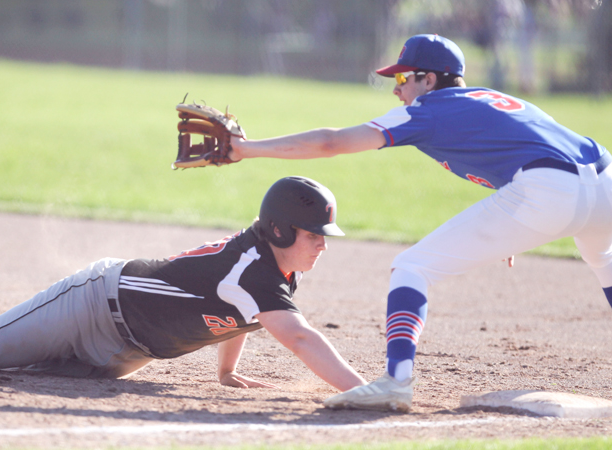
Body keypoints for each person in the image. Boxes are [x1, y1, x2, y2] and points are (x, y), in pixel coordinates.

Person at [229, 34, 612, 412]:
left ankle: (396, 383)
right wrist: (512, 227)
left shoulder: (429, 107)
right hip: (603, 180)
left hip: (547, 191)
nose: (397, 90)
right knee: (605, 265)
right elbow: (538, 150)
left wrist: (246, 149)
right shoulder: (499, 101)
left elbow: (332, 142)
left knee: (412, 267)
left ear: (429, 80)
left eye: (402, 78)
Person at [0, 176, 367, 392]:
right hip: (95, 304)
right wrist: (364, 390)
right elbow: (297, 338)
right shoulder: (255, 269)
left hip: (125, 353)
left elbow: (246, 311)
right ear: (277, 228)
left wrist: (227, 372)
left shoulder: (272, 271)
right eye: (314, 232)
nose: (322, 242)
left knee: (22, 373)